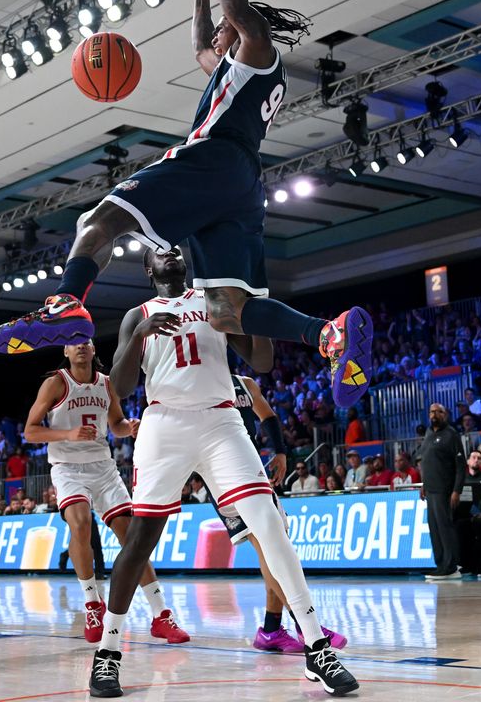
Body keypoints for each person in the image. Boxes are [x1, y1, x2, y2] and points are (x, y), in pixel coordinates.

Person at [0, 0, 373, 417]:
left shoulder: (258, 52)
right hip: (241, 186)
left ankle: (66, 300)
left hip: (215, 159)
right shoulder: (238, 71)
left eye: (225, 29)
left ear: (244, 27)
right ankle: (327, 334)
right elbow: (199, 49)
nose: (216, 39)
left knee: (98, 219)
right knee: (228, 311)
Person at [98, 246, 357, 697]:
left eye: (176, 248)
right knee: (141, 538)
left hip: (220, 420)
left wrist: (254, 306)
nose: (171, 253)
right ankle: (108, 653)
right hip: (164, 423)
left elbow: (261, 362)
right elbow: (119, 388)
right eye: (160, 252)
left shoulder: (213, 300)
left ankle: (316, 646)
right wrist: (140, 333)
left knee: (270, 523)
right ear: (148, 269)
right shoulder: (136, 314)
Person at [24, 338, 186, 646]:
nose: (81, 347)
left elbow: (116, 424)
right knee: (81, 524)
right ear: (66, 351)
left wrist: (131, 427)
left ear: (95, 349)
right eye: (74, 344)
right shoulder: (55, 383)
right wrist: (67, 433)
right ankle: (92, 604)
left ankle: (160, 614)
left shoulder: (107, 383)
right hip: (68, 467)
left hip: (103, 468)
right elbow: (30, 431)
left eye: (86, 342)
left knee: (132, 538)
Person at [224, 373, 346, 653]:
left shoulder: (244, 383)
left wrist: (280, 451)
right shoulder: (199, 379)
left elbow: (267, 415)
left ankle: (270, 629)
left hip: (250, 468)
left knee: (276, 544)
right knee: (269, 546)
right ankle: (305, 624)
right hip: (224, 475)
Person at [419, 403, 464, 580]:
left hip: (444, 489)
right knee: (434, 528)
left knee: (445, 527)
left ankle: (451, 566)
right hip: (430, 489)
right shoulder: (429, 433)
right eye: (431, 411)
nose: (434, 414)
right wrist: (424, 484)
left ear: (445, 414)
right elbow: (428, 461)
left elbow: (461, 466)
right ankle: (440, 564)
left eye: (438, 411)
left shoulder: (451, 435)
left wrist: (456, 490)